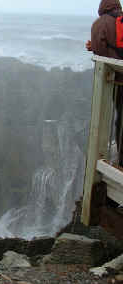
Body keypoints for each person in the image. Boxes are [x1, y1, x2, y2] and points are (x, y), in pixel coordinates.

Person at [87, 0, 123, 166]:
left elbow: (99, 50)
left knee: (121, 119)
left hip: (116, 80)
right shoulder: (120, 19)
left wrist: (93, 47)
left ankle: (121, 160)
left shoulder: (100, 24)